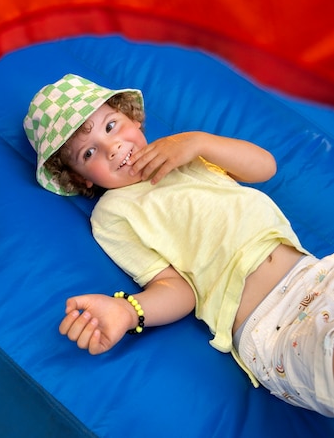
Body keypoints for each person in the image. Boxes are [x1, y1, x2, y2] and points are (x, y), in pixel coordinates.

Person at [24, 73, 334, 416]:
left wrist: (199, 143)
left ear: (133, 118)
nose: (112, 147)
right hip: (273, 326)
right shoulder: (113, 213)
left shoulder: (185, 154)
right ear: (83, 178)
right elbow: (177, 289)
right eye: (90, 152)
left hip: (317, 276)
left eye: (111, 126)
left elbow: (265, 167)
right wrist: (129, 311)